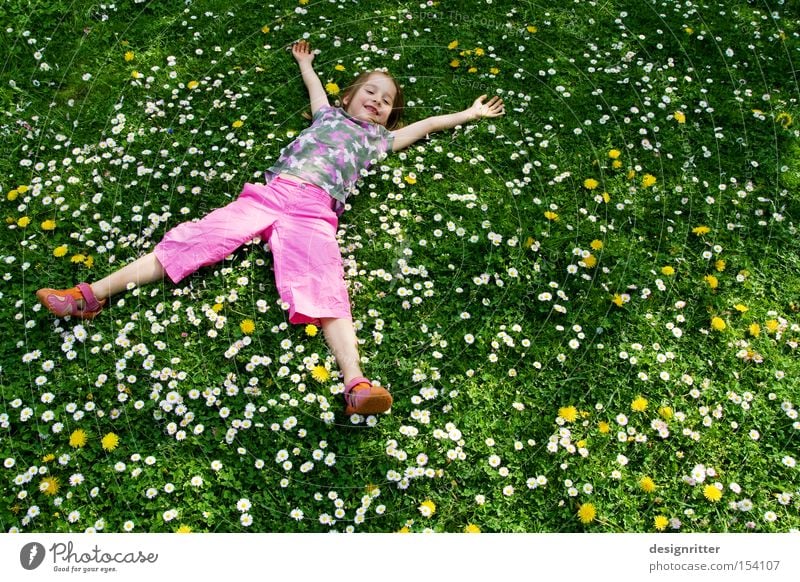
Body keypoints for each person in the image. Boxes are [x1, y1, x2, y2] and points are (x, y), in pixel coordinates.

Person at [36, 40, 505, 416]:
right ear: (349, 98)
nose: (379, 102)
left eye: (386, 102)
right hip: (270, 194)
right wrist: (307, 63)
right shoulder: (328, 115)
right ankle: (87, 296)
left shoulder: (377, 140)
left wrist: (468, 114)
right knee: (191, 240)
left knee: (326, 287)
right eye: (371, 93)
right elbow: (316, 92)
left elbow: (422, 126)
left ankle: (356, 382)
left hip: (314, 214)